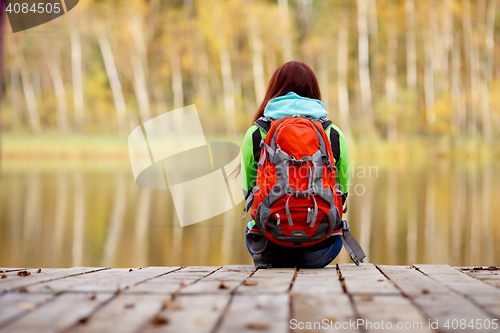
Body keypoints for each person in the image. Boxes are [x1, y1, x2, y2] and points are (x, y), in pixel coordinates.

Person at [240, 60, 350, 268]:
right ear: (314, 91)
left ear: (275, 89)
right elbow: (341, 193)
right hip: (322, 248)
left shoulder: (256, 133)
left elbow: (249, 192)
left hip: (267, 249)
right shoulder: (333, 134)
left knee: (252, 225)